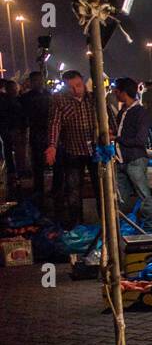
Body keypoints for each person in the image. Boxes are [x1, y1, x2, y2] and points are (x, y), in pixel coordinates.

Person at [45, 70, 97, 228]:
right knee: (73, 189)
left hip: (96, 151)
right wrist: (52, 146)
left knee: (102, 188)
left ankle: (107, 223)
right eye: (71, 87)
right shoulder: (59, 100)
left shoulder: (94, 98)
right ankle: (77, 225)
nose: (76, 90)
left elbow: (107, 117)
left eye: (78, 85)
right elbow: (55, 124)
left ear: (83, 82)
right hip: (73, 150)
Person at [111, 77, 152, 231]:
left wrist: (118, 138)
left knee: (144, 196)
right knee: (120, 198)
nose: (115, 93)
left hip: (135, 160)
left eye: (117, 91)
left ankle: (148, 229)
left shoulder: (140, 112)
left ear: (124, 93)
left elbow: (140, 139)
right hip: (121, 160)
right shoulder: (122, 111)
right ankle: (123, 229)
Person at [19, 72, 50, 204]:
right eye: (36, 80)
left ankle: (46, 189)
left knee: (51, 161)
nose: (38, 82)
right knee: (37, 163)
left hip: (48, 131)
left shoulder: (48, 95)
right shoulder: (26, 98)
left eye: (40, 80)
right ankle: (39, 189)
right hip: (36, 132)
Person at [0, 80, 21, 200]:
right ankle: (14, 173)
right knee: (11, 150)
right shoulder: (10, 101)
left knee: (8, 150)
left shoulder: (9, 99)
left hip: (9, 129)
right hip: (10, 129)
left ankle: (13, 172)